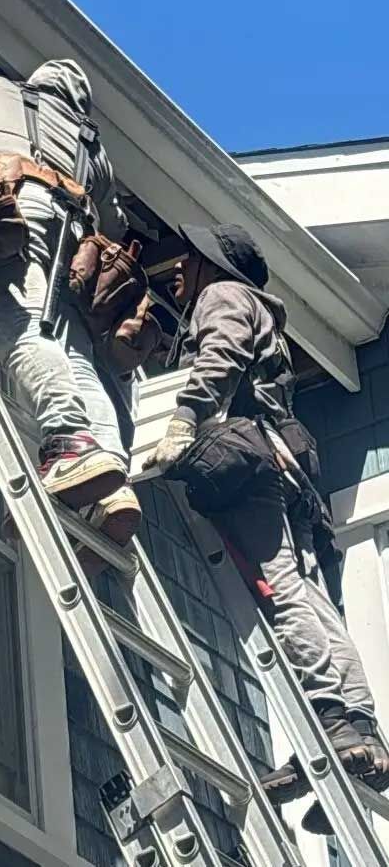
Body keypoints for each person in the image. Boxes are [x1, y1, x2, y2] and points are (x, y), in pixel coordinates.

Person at [146, 222, 389, 822]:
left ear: (214, 265)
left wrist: (185, 415)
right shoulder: (263, 314)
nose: (178, 267)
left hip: (250, 459)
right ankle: (359, 729)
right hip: (286, 463)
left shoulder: (222, 297)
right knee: (309, 595)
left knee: (279, 592)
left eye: (189, 257)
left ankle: (330, 715)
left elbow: (222, 353)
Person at [0, 60, 142, 556]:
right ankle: (112, 483)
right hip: (73, 246)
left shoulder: (0, 92)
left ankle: (68, 439)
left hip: (14, 209)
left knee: (13, 322)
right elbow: (114, 225)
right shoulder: (90, 145)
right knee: (76, 355)